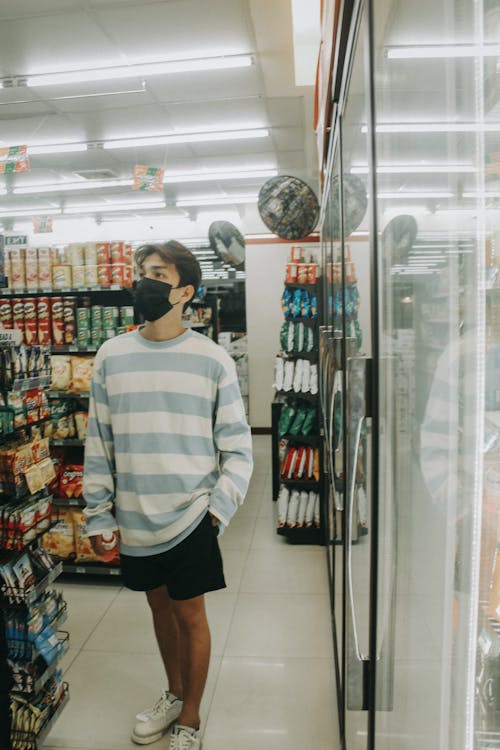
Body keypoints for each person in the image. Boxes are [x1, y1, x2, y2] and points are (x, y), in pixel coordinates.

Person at [82, 240, 253, 750]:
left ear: (185, 291)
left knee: (190, 613)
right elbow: (100, 441)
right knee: (159, 610)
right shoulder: (111, 356)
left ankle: (191, 718)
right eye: (141, 272)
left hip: (192, 516)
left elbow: (238, 449)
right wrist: (97, 514)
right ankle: (174, 693)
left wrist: (217, 513)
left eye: (157, 273)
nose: (143, 282)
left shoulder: (211, 359)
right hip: (135, 517)